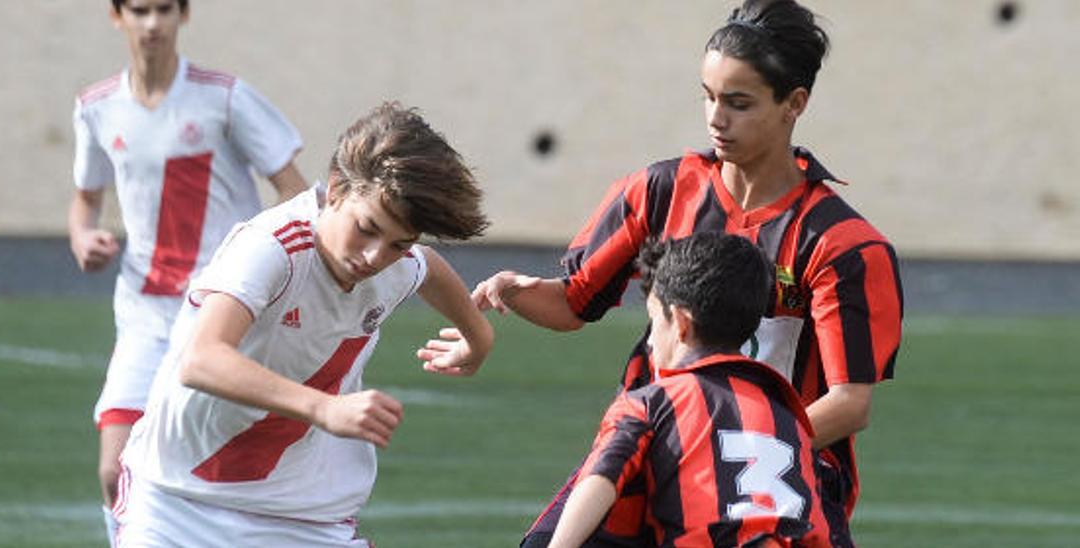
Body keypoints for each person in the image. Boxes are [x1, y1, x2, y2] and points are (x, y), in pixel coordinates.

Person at [471, 1, 902, 546]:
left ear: (795, 104)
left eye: (739, 103)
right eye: (708, 96)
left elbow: (849, 403)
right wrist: (513, 292)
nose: (716, 118)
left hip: (781, 461)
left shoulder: (842, 244)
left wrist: (729, 437)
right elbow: (573, 304)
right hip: (655, 444)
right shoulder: (660, 191)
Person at [113, 102, 493, 547]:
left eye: (397, 243)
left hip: (305, 516)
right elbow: (202, 359)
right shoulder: (273, 247)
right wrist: (325, 408)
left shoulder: (395, 264)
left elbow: (426, 267)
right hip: (178, 503)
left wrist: (478, 338)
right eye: (367, 228)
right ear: (335, 189)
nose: (376, 257)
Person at [67, 0, 308, 541]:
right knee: (114, 470)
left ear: (183, 16)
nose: (152, 23)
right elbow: (85, 199)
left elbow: (294, 190)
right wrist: (84, 238)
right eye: (139, 10)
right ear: (117, 17)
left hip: (223, 312)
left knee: (222, 478)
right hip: (145, 311)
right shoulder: (97, 108)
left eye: (163, 10)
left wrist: (275, 268)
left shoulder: (223, 97)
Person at [547, 232, 830, 548]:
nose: (651, 341)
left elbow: (600, 478)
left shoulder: (653, 401)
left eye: (655, 322)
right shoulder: (788, 413)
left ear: (680, 323)